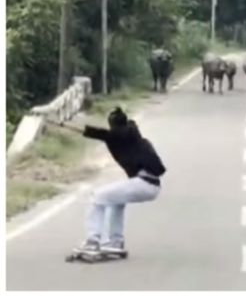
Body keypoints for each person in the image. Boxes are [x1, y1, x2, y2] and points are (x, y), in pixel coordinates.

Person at [59, 107, 166, 254]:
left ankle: (93, 241)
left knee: (96, 197)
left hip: (143, 183)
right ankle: (116, 242)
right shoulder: (135, 134)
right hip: (152, 185)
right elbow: (106, 131)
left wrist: (61, 124)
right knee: (115, 201)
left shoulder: (115, 136)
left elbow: (90, 131)